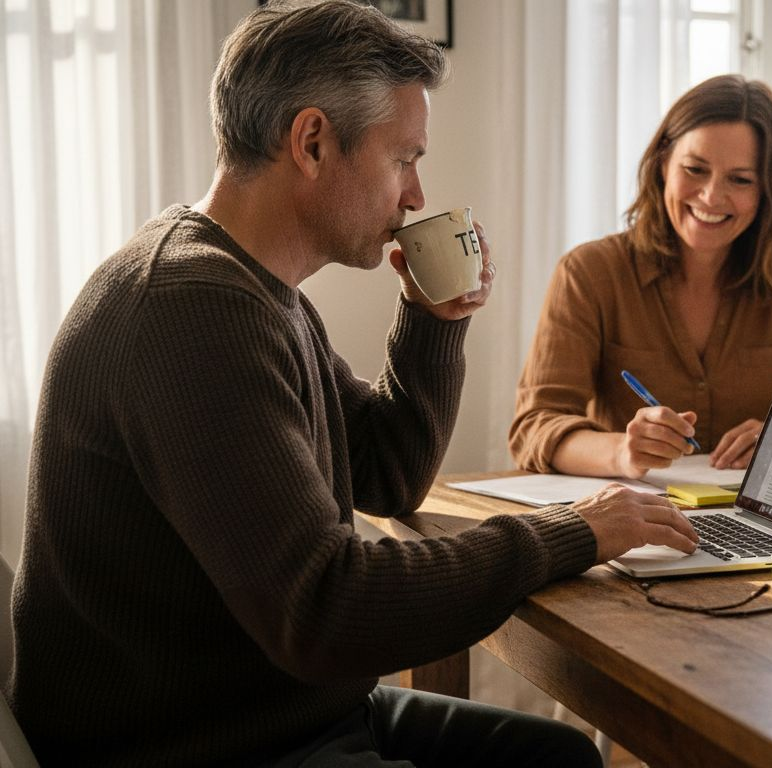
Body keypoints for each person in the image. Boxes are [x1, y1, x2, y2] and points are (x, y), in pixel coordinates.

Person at [2, 2, 696, 766]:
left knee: (555, 755)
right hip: (192, 745)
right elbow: (326, 610)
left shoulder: (257, 291)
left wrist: (432, 318)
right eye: (404, 159)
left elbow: (386, 473)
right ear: (312, 142)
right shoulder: (190, 307)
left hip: (271, 713)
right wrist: (578, 530)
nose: (416, 196)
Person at [510, 74, 772, 480]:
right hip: (633, 520)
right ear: (663, 163)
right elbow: (535, 427)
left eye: (741, 179)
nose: (712, 196)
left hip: (763, 523)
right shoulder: (590, 273)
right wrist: (623, 453)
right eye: (695, 169)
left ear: (768, 190)